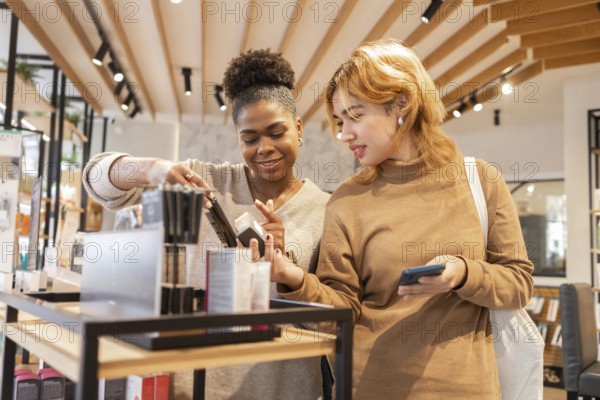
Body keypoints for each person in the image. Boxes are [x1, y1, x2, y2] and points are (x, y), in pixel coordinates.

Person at [266, 38, 534, 399]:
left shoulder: (479, 181)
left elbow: (518, 284)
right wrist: (293, 278)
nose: (344, 134)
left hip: (469, 389)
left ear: (402, 102)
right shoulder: (347, 200)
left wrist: (463, 273)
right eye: (340, 120)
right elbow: (341, 314)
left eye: (356, 114)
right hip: (370, 387)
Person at [83, 49, 330, 399]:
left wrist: (288, 272)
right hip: (193, 385)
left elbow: (331, 322)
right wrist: (153, 169)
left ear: (299, 128)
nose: (265, 148)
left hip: (283, 387)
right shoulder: (202, 181)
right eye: (250, 138)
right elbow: (97, 180)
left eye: (277, 133)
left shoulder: (325, 210)